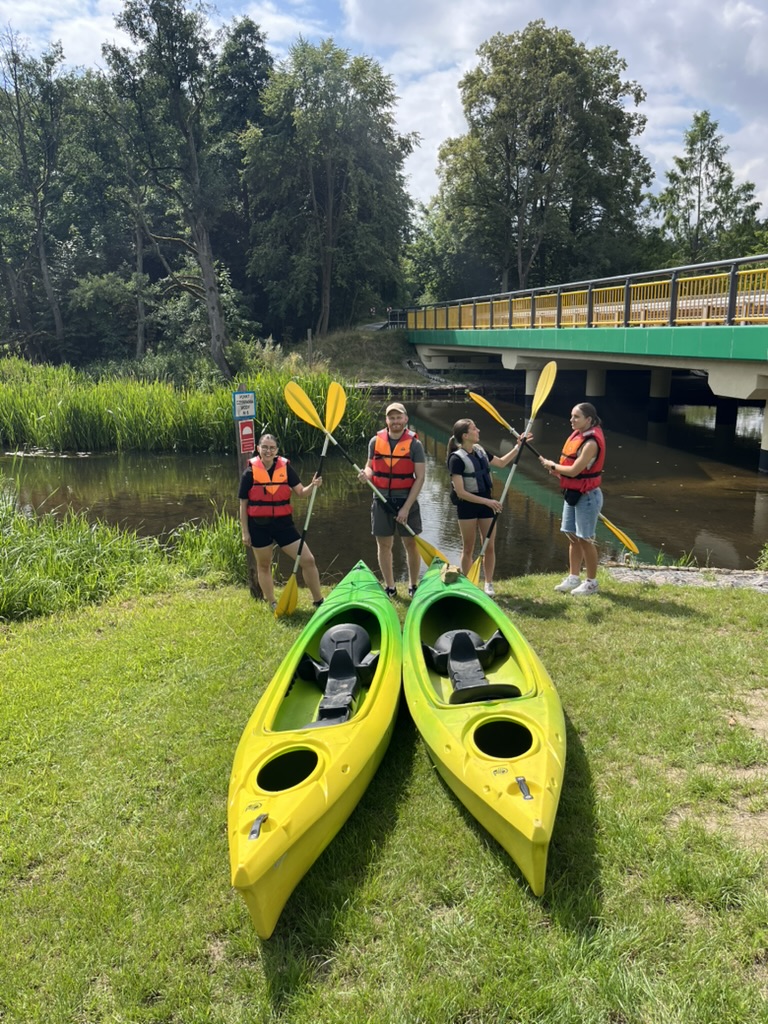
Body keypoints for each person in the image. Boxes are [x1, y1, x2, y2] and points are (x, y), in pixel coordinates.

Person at [239, 433, 325, 610]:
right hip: (259, 526)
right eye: (265, 447)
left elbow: (301, 492)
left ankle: (318, 601)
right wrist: (245, 532)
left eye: (272, 448)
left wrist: (313, 485)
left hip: (283, 524)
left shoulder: (285, 469)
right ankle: (272, 602)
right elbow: (243, 505)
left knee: (308, 560)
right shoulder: (249, 473)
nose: (268, 451)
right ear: (258, 449)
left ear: (277, 450)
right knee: (264, 565)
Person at [447, 418, 529, 596]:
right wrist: (487, 502)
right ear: (465, 435)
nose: (478, 431)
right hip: (467, 506)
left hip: (486, 503)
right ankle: (468, 585)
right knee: (468, 548)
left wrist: (518, 447)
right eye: (475, 429)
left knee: (489, 546)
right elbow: (460, 492)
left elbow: (501, 463)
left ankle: (488, 583)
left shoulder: (480, 451)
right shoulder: (456, 459)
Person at [359, 401, 425, 597]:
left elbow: (420, 477)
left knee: (411, 544)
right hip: (381, 500)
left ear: (406, 419)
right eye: (391, 417)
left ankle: (413, 585)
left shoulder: (415, 444)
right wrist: (366, 475)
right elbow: (370, 466)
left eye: (399, 417)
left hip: (406, 500)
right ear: (387, 420)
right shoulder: (375, 441)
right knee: (384, 545)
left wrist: (406, 508)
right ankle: (390, 587)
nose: (395, 421)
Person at [540, 402, 606, 597]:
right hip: (573, 494)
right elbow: (571, 472)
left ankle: (592, 583)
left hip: (587, 497)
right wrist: (557, 472)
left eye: (576, 417)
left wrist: (553, 466)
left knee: (585, 539)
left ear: (589, 420)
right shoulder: (578, 436)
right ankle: (573, 577)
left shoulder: (591, 443)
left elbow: (575, 470)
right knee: (572, 536)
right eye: (571, 416)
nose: (572, 420)